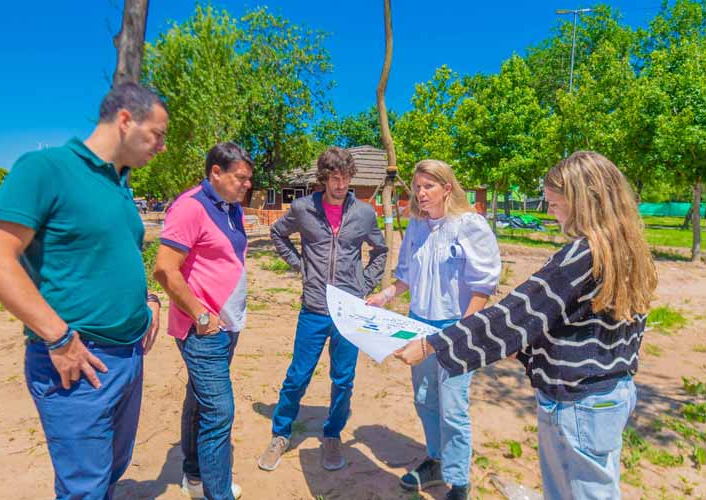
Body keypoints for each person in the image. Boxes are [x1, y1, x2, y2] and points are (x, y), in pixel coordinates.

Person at [395, 151, 658, 500]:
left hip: (576, 404)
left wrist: (433, 345)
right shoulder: (625, 248)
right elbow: (582, 324)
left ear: (582, 200)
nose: (550, 211)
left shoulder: (582, 255)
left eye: (555, 202)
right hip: (610, 395)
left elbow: (516, 315)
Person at [0, 82, 168, 499]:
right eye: (158, 133)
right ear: (125, 120)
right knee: (85, 487)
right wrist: (58, 337)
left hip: (129, 356)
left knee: (111, 470)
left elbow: (123, 253)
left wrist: (148, 298)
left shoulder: (120, 186)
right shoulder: (46, 169)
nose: (163, 147)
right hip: (79, 363)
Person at [366, 159, 501, 500]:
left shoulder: (469, 225)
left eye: (429, 186)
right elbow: (407, 276)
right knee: (425, 398)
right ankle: (436, 461)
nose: (421, 193)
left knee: (453, 406)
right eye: (418, 186)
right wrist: (384, 296)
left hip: (455, 327)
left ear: (447, 188)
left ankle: (458, 481)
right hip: (417, 326)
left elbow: (483, 286)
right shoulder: (417, 226)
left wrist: (462, 332)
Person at [257, 147, 388, 472]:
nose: (341, 184)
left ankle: (332, 435)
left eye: (345, 177)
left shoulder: (364, 213)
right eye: (334, 177)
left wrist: (364, 284)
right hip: (314, 309)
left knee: (343, 379)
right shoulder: (303, 209)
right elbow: (278, 233)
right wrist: (300, 265)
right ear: (324, 178)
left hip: (349, 312)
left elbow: (380, 250)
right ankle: (281, 433)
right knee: (297, 376)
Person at [154, 142, 253, 500]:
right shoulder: (190, 208)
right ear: (216, 172)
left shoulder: (232, 208)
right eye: (240, 178)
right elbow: (165, 269)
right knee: (219, 412)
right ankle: (217, 493)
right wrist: (200, 314)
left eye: (248, 179)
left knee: (199, 401)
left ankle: (194, 478)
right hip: (203, 330)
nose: (247, 185)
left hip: (226, 326)